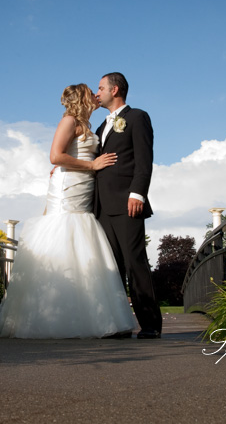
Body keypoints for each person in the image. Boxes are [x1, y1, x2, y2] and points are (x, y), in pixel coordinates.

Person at [0, 84, 136, 339]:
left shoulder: (91, 126)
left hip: (84, 188)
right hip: (67, 187)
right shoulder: (69, 121)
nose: (95, 95)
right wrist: (91, 165)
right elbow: (55, 156)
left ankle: (88, 317)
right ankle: (50, 315)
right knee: (64, 236)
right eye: (91, 91)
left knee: (82, 245)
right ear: (81, 97)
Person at [94, 72, 162, 339]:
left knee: (135, 263)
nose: (96, 93)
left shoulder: (137, 117)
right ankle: (120, 324)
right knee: (111, 268)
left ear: (115, 89)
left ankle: (150, 325)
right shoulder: (101, 127)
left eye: (100, 88)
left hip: (127, 202)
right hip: (101, 206)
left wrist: (138, 194)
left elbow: (144, 161)